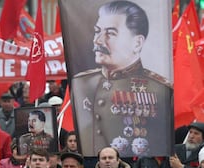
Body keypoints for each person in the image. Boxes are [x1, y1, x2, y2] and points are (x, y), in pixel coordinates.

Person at [71, 0, 172, 157]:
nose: (98, 40)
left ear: (137, 43)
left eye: (110, 34)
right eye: (97, 31)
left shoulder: (159, 89)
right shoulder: (81, 83)